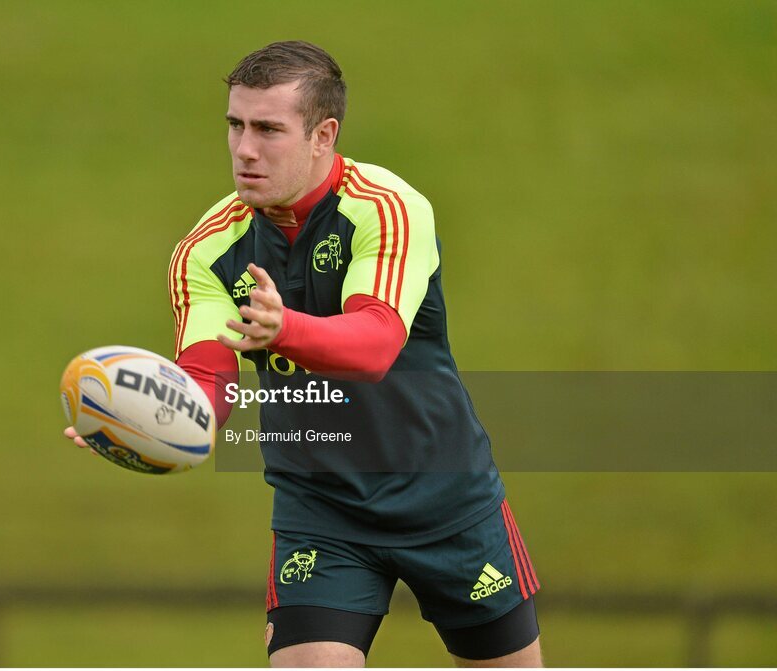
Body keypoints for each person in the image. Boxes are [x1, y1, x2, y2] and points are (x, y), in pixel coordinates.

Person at [68, 40, 541, 667]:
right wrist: (140, 420)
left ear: (324, 135)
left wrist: (282, 329)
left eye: (269, 129)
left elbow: (374, 344)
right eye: (235, 125)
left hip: (446, 499)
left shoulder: (387, 208)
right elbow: (208, 381)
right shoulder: (207, 252)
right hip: (321, 510)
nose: (244, 148)